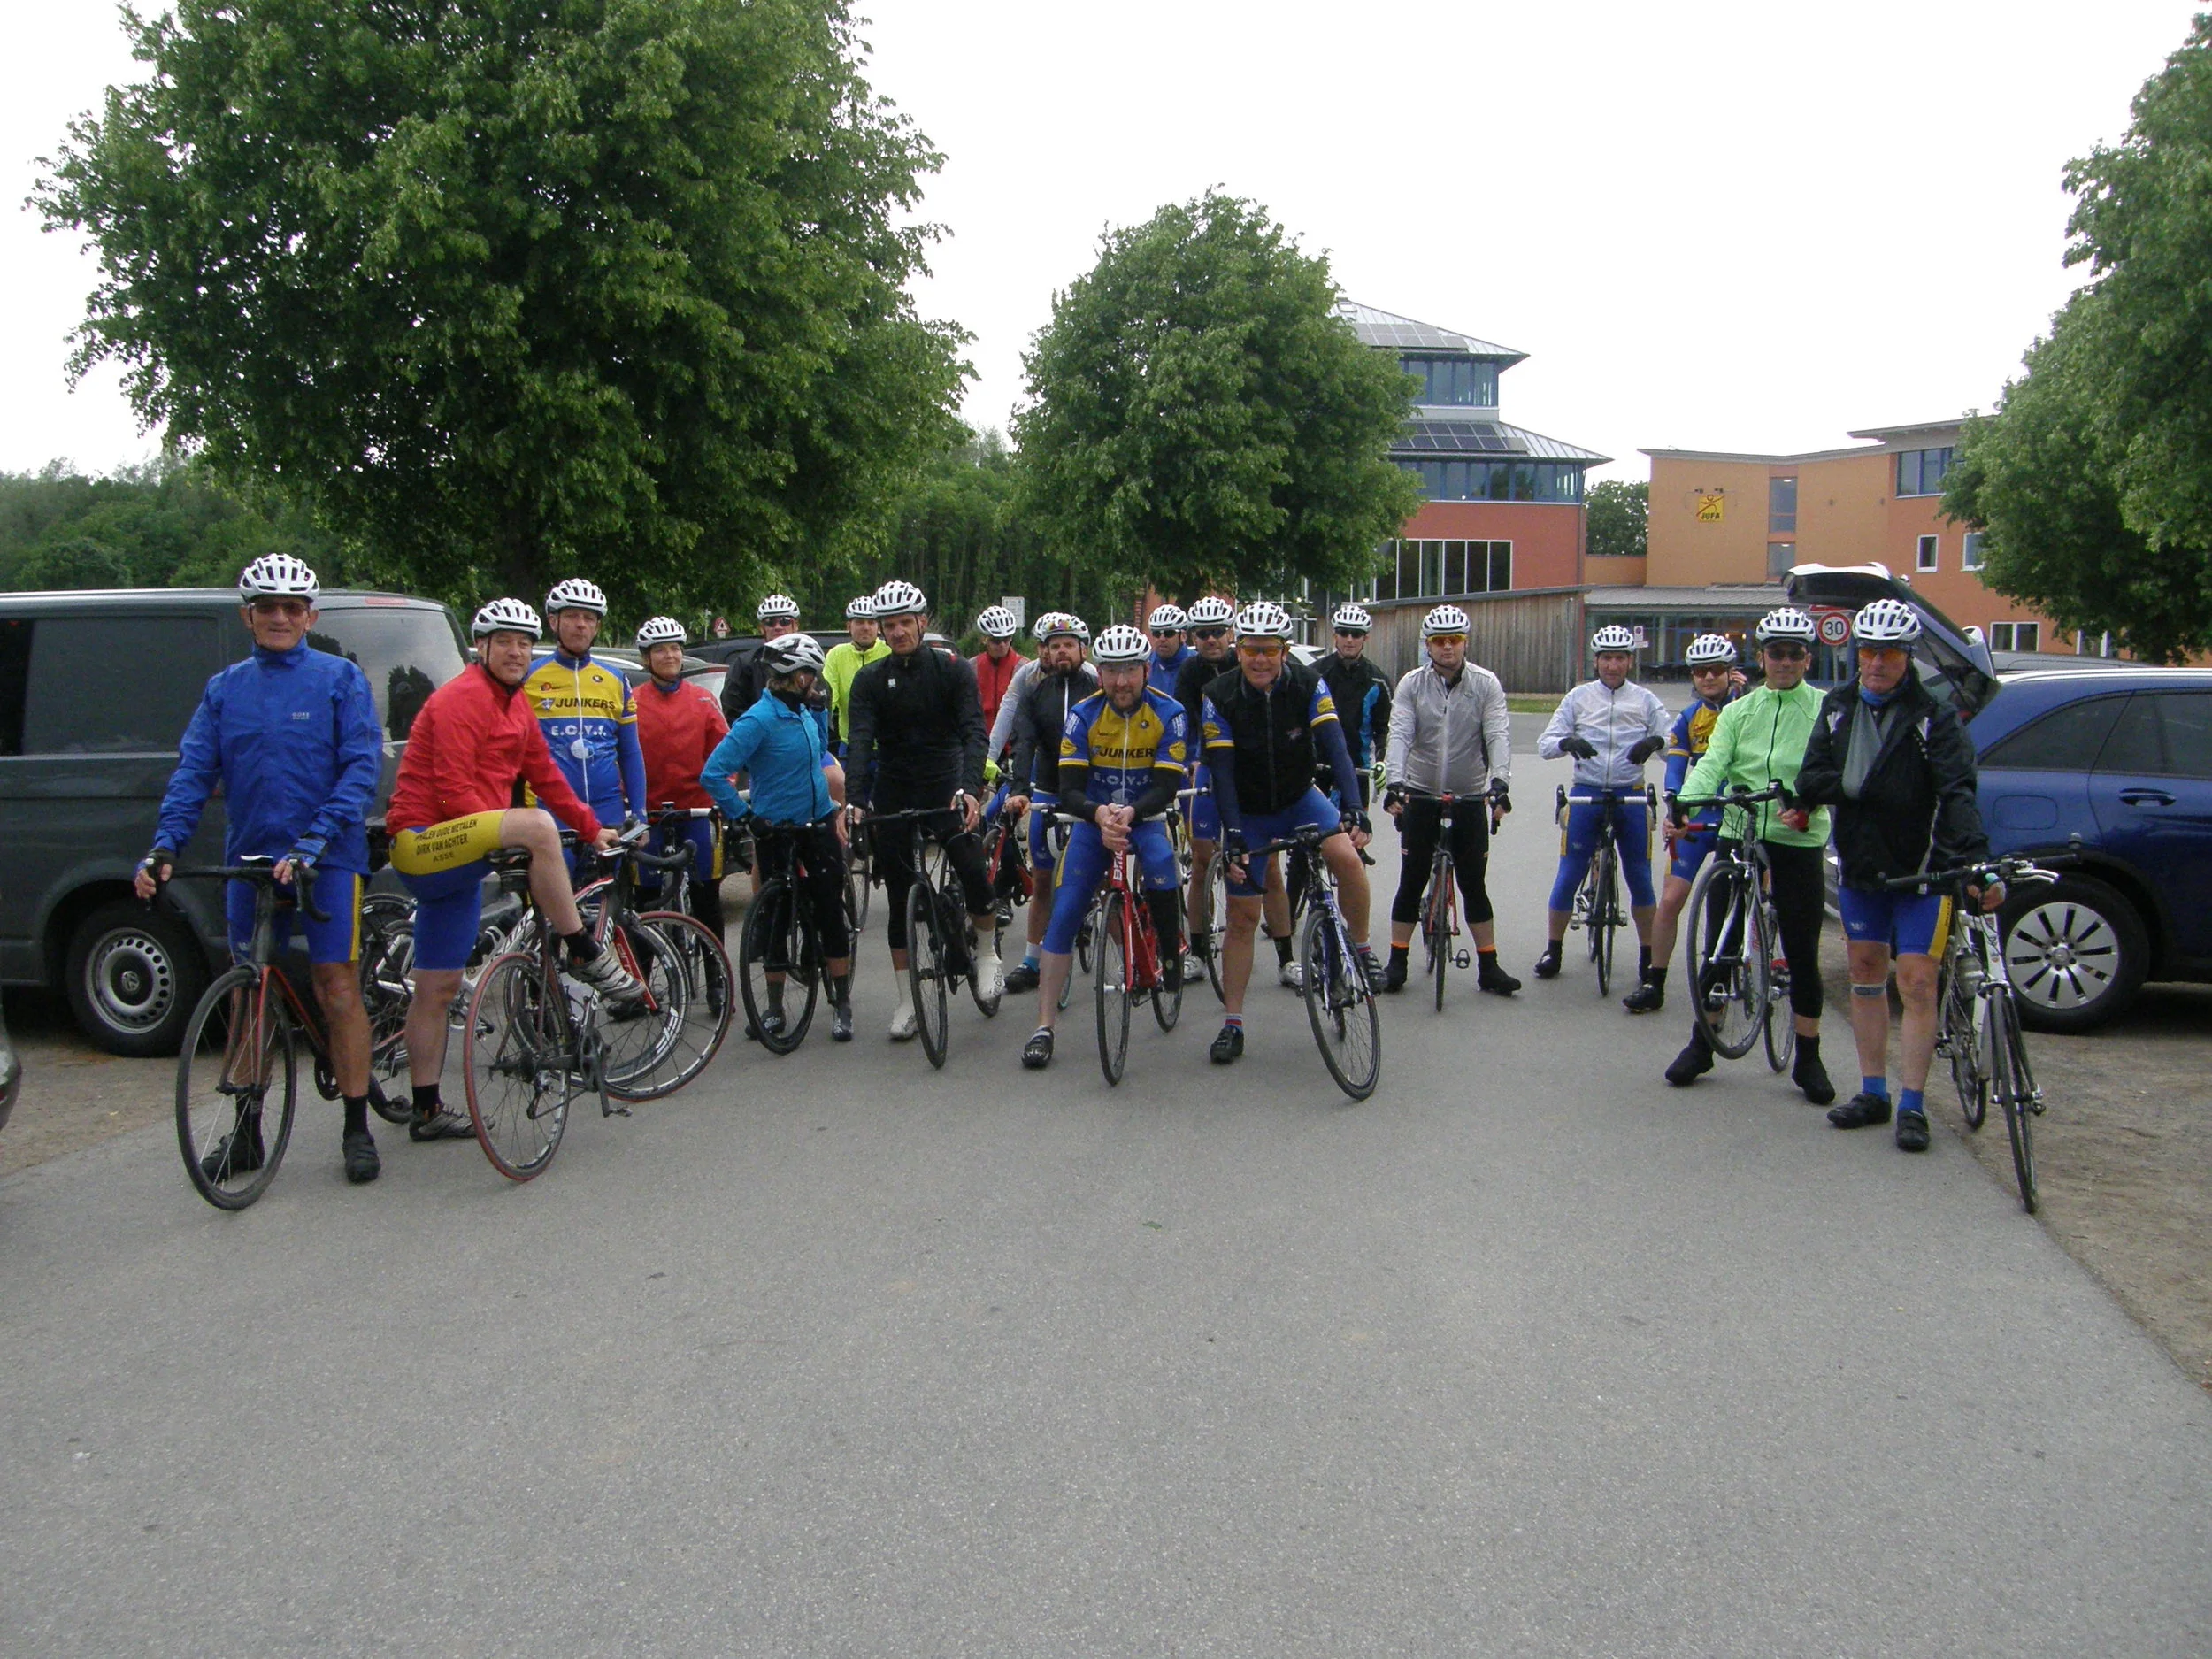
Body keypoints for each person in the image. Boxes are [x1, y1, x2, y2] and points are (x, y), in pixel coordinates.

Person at [137, 555, 385, 1185]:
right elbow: (195, 773)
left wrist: (315, 839)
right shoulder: (225, 689)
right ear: (247, 616)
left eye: (291, 608)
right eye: (267, 607)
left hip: (327, 859)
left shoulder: (339, 679)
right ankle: (247, 1131)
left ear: (310, 617)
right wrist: (165, 847)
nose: (279, 617)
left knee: (336, 984)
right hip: (252, 861)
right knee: (249, 991)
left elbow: (361, 767)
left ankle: (357, 1127)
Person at [384, 598, 642, 1141]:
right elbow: (452, 790)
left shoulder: (516, 706)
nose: (516, 652)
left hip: (460, 849)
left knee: (437, 987)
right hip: (421, 840)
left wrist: (591, 828)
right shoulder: (460, 699)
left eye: (524, 643)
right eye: (504, 641)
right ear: (481, 646)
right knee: (536, 824)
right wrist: (508, 832)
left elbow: (546, 776)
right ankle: (582, 948)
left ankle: (426, 1110)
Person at [1793, 597, 2000, 1153]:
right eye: (1869, 652)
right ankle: (1873, 1092)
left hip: (1922, 869)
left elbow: (1957, 791)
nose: (1878, 663)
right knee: (1865, 973)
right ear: (1857, 653)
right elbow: (1812, 777)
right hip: (1862, 866)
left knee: (1916, 981)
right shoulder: (1838, 707)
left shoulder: (1933, 716)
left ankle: (1912, 1103)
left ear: (1908, 657)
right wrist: (1857, 786)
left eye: (1889, 653)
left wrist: (1974, 858)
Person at [1662, 609, 1836, 1105]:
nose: (1785, 662)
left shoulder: (1824, 709)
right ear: (1762, 658)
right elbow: (1712, 764)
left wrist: (1809, 801)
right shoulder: (1740, 711)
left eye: (1794, 654)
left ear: (1807, 659)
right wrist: (1684, 804)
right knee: (1721, 940)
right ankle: (1702, 1044)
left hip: (1797, 835)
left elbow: (1833, 770)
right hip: (1739, 828)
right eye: (1776, 653)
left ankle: (1809, 1057)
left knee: (1801, 948)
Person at [1201, 601, 1379, 1064]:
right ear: (1239, 650)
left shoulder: (1308, 682)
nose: (1260, 659)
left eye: (1270, 650)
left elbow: (1336, 747)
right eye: (1251, 650)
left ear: (1284, 650)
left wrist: (1354, 807)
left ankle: (1359, 950)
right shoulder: (1218, 694)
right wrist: (1234, 834)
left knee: (1347, 859)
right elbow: (1221, 772)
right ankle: (1233, 1022)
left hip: (1301, 798)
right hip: (1250, 811)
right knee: (1243, 918)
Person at [1020, 625, 1190, 1068]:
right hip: (1094, 817)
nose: (1121, 681)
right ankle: (1043, 1027)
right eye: (1112, 670)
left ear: (1146, 670)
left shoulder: (1170, 712)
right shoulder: (1082, 715)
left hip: (1145, 814)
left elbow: (1167, 786)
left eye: (1130, 670)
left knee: (1160, 862)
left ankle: (1170, 955)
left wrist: (1131, 812)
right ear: (1100, 674)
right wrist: (1099, 815)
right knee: (1065, 910)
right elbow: (1069, 788)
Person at [843, 580, 1002, 1036]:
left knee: (970, 866)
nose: (896, 632)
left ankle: (988, 953)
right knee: (898, 898)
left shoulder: (951, 669)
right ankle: (907, 1001)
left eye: (904, 623)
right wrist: (855, 799)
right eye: (888, 625)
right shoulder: (870, 680)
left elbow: (974, 731)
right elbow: (860, 741)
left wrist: (969, 788)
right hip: (895, 784)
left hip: (944, 780)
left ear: (922, 622)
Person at [701, 634, 856, 1041]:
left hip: (817, 823)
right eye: (812, 675)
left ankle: (841, 1003)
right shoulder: (758, 720)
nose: (816, 682)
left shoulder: (804, 710)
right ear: (797, 677)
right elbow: (713, 774)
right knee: (775, 919)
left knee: (829, 910)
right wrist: (745, 818)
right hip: (776, 828)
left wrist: (819, 714)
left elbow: (818, 753)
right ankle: (773, 1008)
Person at [1379, 603, 1518, 996]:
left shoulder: (1485, 684)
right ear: (1427, 645)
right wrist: (1395, 782)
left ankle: (1489, 967)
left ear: (1465, 642)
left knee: (1473, 883)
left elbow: (1497, 735)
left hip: (1469, 793)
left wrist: (1500, 783)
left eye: (1454, 640)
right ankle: (1397, 963)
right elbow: (1400, 734)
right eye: (1439, 641)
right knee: (1412, 879)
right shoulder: (1411, 684)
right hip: (1421, 791)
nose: (1447, 647)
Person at [1533, 626, 1671, 982]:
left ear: (1629, 661)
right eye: (1606, 658)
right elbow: (1545, 744)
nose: (1613, 665)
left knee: (1640, 876)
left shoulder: (1645, 700)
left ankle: (1647, 955)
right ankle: (1553, 949)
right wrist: (1566, 742)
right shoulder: (1578, 698)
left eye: (1620, 658)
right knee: (1569, 873)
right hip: (1587, 792)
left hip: (1630, 792)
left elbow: (1674, 745)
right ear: (1596, 661)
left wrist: (1655, 742)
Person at [1624, 632, 1742, 1016]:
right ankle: (1654, 982)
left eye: (1716, 670)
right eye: (1700, 671)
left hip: (1739, 815)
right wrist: (1675, 807)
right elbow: (1675, 769)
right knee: (1672, 899)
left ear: (1730, 672)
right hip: (1701, 815)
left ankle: (1739, 970)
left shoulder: (1747, 707)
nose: (1708, 677)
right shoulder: (1690, 717)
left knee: (1740, 899)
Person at [1001, 616, 1096, 995]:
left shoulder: (1097, 688)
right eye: (1055, 646)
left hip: (1090, 794)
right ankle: (1031, 960)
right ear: (1046, 651)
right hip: (1049, 791)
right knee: (1042, 881)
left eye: (1068, 645)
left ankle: (1122, 952)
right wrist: (1020, 789)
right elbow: (1024, 743)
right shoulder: (1035, 692)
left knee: (1100, 876)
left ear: (1082, 650)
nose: (1061, 652)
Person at [522, 578, 649, 851]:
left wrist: (640, 812)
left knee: (613, 878)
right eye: (571, 616)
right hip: (549, 809)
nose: (581, 624)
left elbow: (630, 751)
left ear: (597, 626)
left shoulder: (615, 678)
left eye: (589, 618)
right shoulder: (528, 676)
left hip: (608, 807)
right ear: (553, 621)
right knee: (561, 879)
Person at [631, 615, 729, 941]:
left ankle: (715, 967)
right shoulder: (632, 701)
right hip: (649, 814)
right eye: (661, 650)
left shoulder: (703, 699)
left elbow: (724, 753)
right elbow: (619, 756)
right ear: (647, 658)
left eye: (675, 649)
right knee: (645, 900)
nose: (670, 656)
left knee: (706, 897)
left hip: (696, 810)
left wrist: (722, 795)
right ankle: (642, 971)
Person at [1315, 602, 1394, 810]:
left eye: (1356, 634)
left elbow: (1383, 729)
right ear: (1335, 635)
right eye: (1344, 633)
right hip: (1318, 769)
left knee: (1355, 829)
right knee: (1315, 829)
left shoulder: (1378, 681)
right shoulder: (1314, 674)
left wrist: (1382, 761)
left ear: (1365, 638)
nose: (1349, 639)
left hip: (1357, 770)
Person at [720, 592, 803, 726]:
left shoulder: (808, 663)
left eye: (785, 621)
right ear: (761, 628)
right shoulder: (745, 664)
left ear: (796, 626)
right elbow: (732, 710)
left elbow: (819, 706)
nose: (778, 627)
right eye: (770, 622)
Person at [823, 595, 889, 753]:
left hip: (887, 745)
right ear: (849, 626)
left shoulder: (889, 651)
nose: (865, 627)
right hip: (850, 743)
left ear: (879, 627)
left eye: (871, 622)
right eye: (859, 622)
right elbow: (829, 698)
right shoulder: (836, 655)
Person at [972, 604, 1025, 731]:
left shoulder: (1024, 667)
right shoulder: (972, 666)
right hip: (981, 736)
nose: (1002, 645)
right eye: (996, 640)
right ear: (984, 640)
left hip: (1014, 737)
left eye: (1006, 639)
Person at [1145, 603, 1192, 697]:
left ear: (1183, 636)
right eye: (1157, 633)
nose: (1162, 639)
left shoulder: (1198, 665)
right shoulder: (1145, 665)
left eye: (1169, 633)